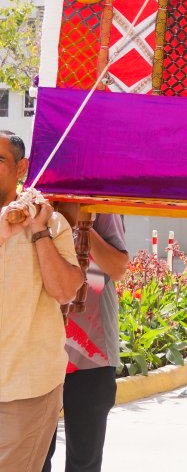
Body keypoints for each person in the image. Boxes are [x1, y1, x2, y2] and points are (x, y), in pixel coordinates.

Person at [0, 131, 84, 472]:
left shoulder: (51, 223)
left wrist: (38, 230)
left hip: (25, 389)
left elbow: (65, 291)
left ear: (21, 168)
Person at [42, 205, 128, 472]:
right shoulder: (31, 202)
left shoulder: (98, 205)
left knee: (84, 462)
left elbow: (115, 269)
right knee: (35, 459)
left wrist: (84, 228)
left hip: (91, 353)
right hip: (39, 353)